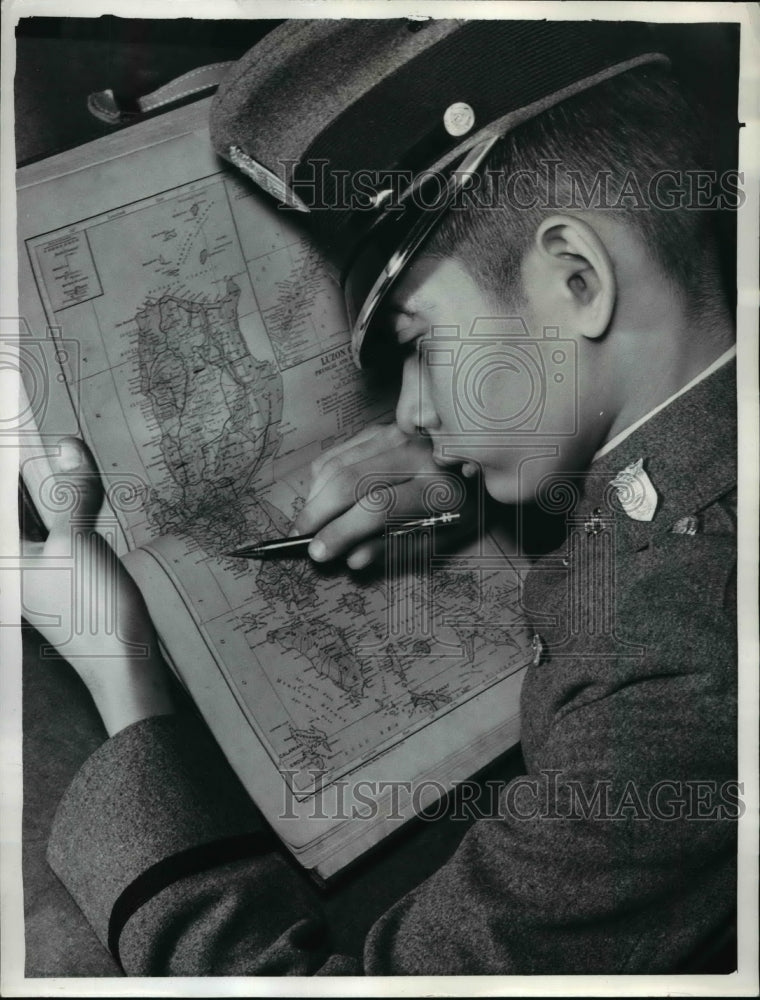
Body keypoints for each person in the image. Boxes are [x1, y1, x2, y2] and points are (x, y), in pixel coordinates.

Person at [23, 18, 738, 975]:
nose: (406, 407)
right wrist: (480, 469)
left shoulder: (679, 683)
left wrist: (126, 679)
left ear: (576, 278)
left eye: (420, 341)